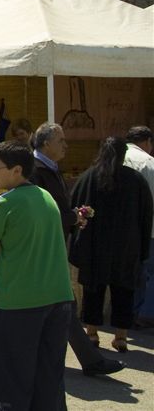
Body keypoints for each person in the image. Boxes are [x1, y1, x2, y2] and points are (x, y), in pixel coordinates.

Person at [0, 142, 75, 411]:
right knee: (50, 376)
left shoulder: (4, 202)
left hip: (18, 302)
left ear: (17, 170)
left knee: (12, 377)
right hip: (58, 298)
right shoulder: (46, 197)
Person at [29, 121, 125, 377]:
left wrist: (72, 216)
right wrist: (71, 217)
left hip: (53, 245)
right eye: (61, 141)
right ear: (46, 143)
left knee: (63, 305)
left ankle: (88, 359)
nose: (66, 146)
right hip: (42, 249)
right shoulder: (35, 170)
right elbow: (41, 211)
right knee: (60, 304)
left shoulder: (49, 167)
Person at [70, 137, 153, 352]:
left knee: (92, 289)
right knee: (123, 289)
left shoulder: (88, 178)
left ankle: (92, 334)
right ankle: (121, 337)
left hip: (94, 246)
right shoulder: (135, 180)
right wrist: (143, 246)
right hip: (126, 246)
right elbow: (146, 216)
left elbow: (73, 209)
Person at [123, 126, 154, 327]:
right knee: (150, 272)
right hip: (148, 229)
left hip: (119, 230)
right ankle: (146, 312)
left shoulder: (112, 159)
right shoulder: (148, 163)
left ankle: (129, 312)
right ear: (147, 141)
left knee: (127, 273)